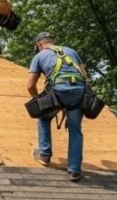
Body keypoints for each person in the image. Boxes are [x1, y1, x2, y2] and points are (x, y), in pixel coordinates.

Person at [27, 32, 88, 182]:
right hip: (79, 91)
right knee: (75, 131)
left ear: (39, 45)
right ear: (53, 42)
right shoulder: (71, 51)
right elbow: (84, 74)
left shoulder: (39, 56)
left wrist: (38, 100)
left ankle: (45, 155)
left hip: (59, 91)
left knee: (43, 117)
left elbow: (30, 85)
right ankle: (75, 170)